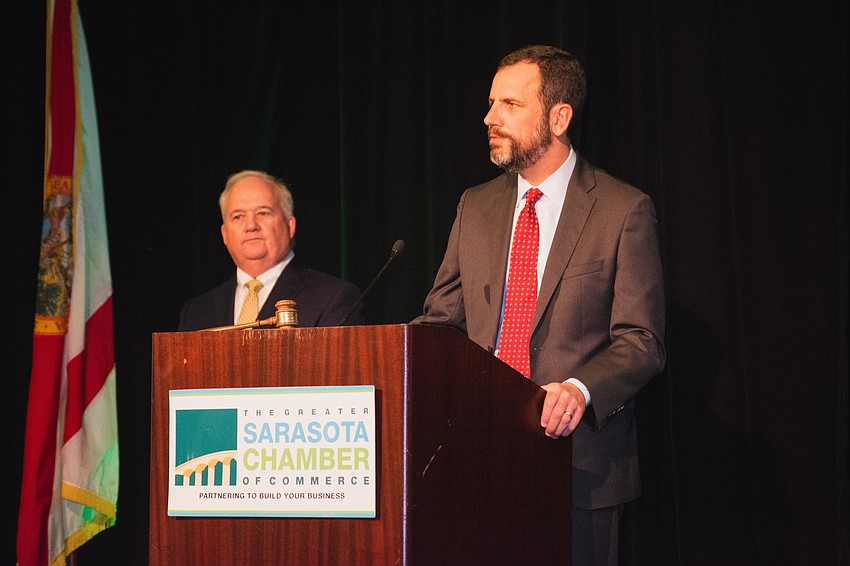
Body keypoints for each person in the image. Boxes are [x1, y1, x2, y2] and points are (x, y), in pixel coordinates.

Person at [413, 46, 665, 565]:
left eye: (509, 104)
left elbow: (642, 341)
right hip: (478, 459)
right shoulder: (475, 205)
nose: (489, 118)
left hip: (581, 467)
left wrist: (579, 388)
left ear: (559, 116)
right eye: (490, 104)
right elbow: (442, 322)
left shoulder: (623, 209)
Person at [178, 170, 363, 331]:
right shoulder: (197, 311)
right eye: (238, 216)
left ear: (290, 226)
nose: (251, 226)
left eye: (263, 213)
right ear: (225, 234)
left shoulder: (332, 298)